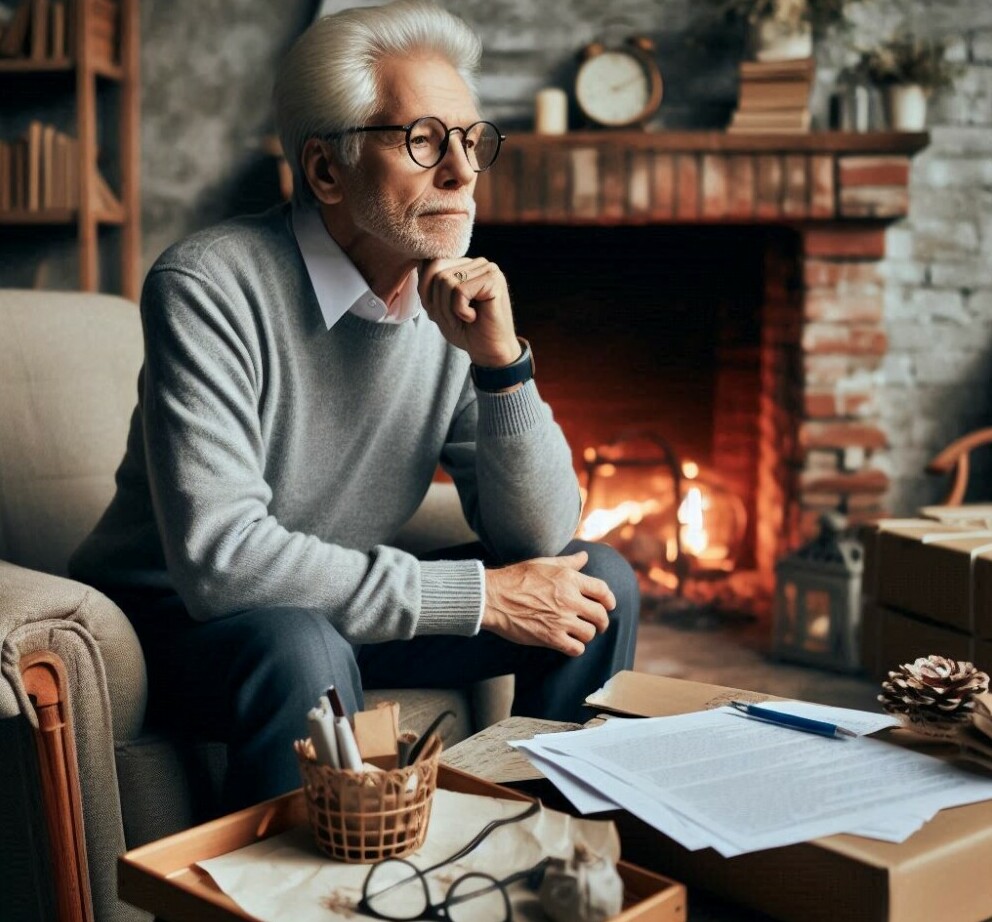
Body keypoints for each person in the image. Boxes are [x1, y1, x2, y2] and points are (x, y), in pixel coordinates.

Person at [70, 0, 638, 812]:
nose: (462, 172)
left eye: (472, 142)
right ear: (326, 171)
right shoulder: (208, 285)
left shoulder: (451, 300)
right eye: (422, 141)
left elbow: (540, 537)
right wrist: (478, 596)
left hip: (340, 615)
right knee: (299, 640)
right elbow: (223, 561)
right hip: (182, 626)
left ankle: (527, 847)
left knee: (598, 580)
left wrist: (502, 368)